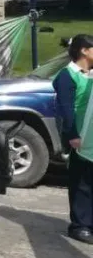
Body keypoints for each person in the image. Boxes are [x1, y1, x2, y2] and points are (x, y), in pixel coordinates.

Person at [54, 34, 93, 245]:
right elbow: (66, 109)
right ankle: (79, 225)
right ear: (84, 51)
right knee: (81, 182)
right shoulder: (67, 76)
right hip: (80, 137)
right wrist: (73, 135)